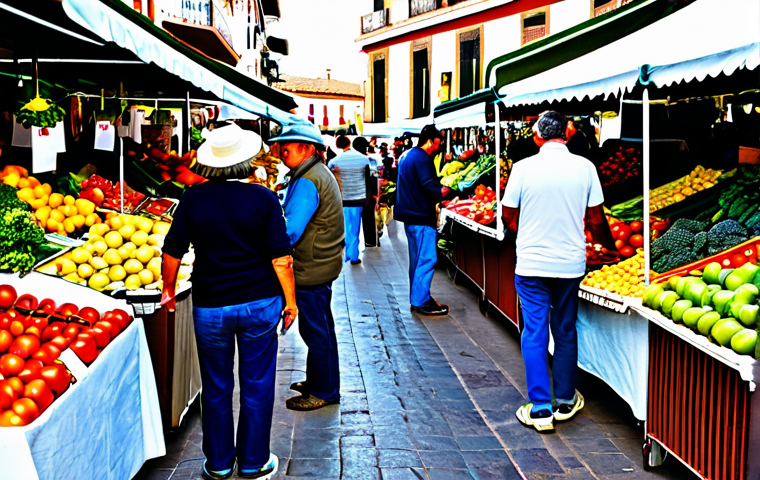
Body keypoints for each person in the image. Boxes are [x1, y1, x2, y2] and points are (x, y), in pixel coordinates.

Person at [160, 123, 296, 480]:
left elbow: (172, 250)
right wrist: (291, 301)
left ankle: (219, 463)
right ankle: (253, 462)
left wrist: (167, 290)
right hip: (260, 302)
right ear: (247, 161)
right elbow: (281, 258)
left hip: (211, 305)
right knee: (258, 382)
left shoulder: (193, 197)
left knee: (216, 385)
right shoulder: (264, 199)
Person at [501, 111, 613, 433]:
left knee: (534, 332)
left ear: (537, 136)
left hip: (532, 264)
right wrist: (607, 247)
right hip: (569, 265)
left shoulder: (523, 169)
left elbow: (509, 215)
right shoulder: (585, 167)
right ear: (567, 134)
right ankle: (565, 400)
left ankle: (540, 409)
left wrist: (530, 234)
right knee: (565, 330)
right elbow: (595, 220)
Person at [271, 122, 345, 411]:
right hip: (320, 264)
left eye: (285, 147)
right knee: (320, 328)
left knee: (316, 330)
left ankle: (324, 390)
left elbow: (290, 231)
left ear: (306, 148)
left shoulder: (308, 180)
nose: (280, 151)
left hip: (310, 267)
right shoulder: (312, 173)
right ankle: (320, 380)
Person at [395, 124, 451, 316]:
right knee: (426, 258)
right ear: (431, 140)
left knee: (417, 259)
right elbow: (429, 186)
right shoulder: (422, 158)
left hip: (411, 215)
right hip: (419, 216)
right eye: (440, 140)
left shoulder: (408, 154)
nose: (441, 143)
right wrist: (450, 191)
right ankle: (420, 301)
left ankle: (418, 297)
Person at [329, 135, 370, 264]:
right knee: (355, 227)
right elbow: (368, 179)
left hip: (342, 199)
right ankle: (352, 256)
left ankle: (349, 254)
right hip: (359, 198)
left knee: (346, 227)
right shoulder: (364, 159)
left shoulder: (334, 161)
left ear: (337, 145)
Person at [353, 137, 380, 248]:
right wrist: (374, 194)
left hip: (353, 195)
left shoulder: (351, 161)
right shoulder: (371, 161)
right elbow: (374, 178)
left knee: (353, 221)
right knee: (369, 219)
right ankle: (370, 241)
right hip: (368, 194)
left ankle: (352, 243)